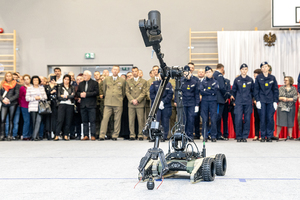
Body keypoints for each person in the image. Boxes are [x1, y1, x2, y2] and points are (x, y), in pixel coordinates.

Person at [254, 62, 279, 142]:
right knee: (262, 118)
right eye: (263, 67)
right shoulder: (258, 78)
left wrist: (275, 101)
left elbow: (275, 90)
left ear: (268, 68)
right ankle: (263, 136)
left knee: (270, 118)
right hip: (262, 100)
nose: (264, 68)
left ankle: (269, 135)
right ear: (261, 69)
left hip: (270, 100)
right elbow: (256, 90)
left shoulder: (272, 78)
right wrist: (257, 100)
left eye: (266, 66)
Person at [99, 66, 126, 141]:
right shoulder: (107, 79)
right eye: (114, 69)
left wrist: (120, 98)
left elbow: (123, 92)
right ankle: (102, 135)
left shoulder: (122, 80)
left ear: (119, 71)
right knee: (105, 119)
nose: (115, 71)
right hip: (108, 102)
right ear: (112, 70)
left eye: (117, 70)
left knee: (117, 120)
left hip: (118, 102)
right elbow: (104, 90)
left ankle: (115, 135)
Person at [231, 64, 254, 142]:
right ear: (240, 70)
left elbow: (253, 91)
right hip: (239, 102)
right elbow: (233, 91)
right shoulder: (237, 80)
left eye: (245, 69)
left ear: (247, 70)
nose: (244, 71)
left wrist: (254, 100)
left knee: (247, 119)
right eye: (243, 69)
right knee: (238, 119)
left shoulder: (250, 80)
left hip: (248, 102)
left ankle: (244, 136)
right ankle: (239, 136)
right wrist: (233, 101)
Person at [175, 66, 200, 139]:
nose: (186, 74)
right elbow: (177, 91)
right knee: (183, 120)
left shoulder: (194, 82)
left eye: (187, 72)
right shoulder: (181, 81)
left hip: (191, 103)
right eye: (185, 72)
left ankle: (190, 135)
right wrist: (176, 101)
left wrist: (197, 105)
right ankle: (183, 135)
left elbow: (196, 94)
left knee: (191, 119)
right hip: (183, 103)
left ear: (190, 72)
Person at [76, 70, 99, 141]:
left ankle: (93, 135)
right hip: (83, 105)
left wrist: (86, 94)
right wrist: (80, 94)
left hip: (91, 105)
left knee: (92, 121)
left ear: (89, 75)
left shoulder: (94, 83)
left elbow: (97, 92)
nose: (84, 76)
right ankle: (86, 135)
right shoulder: (81, 84)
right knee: (84, 121)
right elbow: (77, 92)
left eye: (85, 75)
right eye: (83, 75)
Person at [125, 67, 147, 140]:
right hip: (131, 104)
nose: (134, 72)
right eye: (133, 71)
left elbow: (144, 92)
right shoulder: (128, 81)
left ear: (138, 72)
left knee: (141, 120)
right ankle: (132, 135)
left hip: (139, 104)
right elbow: (127, 92)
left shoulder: (143, 81)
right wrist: (132, 100)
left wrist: (137, 100)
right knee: (131, 120)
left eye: (135, 71)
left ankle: (140, 134)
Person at [150, 75, 173, 142]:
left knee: (165, 121)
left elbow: (170, 94)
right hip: (156, 105)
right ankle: (154, 136)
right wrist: (158, 102)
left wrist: (163, 102)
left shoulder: (168, 84)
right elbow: (152, 94)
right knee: (155, 121)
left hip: (165, 105)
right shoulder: (154, 83)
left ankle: (164, 136)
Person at [199, 66, 219, 142]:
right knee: (205, 119)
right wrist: (209, 91)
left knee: (213, 119)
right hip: (204, 102)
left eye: (209, 72)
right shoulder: (203, 82)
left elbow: (215, 91)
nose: (208, 73)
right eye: (207, 72)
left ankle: (213, 136)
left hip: (213, 101)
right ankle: (205, 135)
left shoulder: (215, 81)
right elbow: (201, 91)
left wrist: (206, 90)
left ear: (212, 72)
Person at [275, 76, 298, 141]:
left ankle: (290, 136)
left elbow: (295, 97)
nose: (285, 81)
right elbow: (277, 97)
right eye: (284, 80)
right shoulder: (281, 88)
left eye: (286, 80)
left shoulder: (293, 89)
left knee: (290, 121)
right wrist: (282, 98)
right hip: (282, 106)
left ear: (290, 81)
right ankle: (277, 135)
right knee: (280, 121)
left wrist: (288, 99)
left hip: (291, 106)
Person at [54, 75, 75, 141]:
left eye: (68, 79)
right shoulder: (60, 87)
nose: (66, 81)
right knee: (60, 120)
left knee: (68, 120)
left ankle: (66, 135)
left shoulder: (72, 87)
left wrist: (65, 96)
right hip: (62, 105)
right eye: (65, 79)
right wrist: (68, 97)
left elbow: (73, 96)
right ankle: (57, 134)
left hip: (70, 105)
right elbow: (59, 97)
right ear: (63, 80)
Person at [26, 76, 47, 141]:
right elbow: (27, 98)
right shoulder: (29, 88)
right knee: (34, 122)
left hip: (40, 107)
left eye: (37, 80)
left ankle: (35, 136)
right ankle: (35, 136)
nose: (35, 82)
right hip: (32, 106)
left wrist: (40, 97)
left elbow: (45, 97)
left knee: (38, 121)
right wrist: (34, 98)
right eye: (34, 80)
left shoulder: (41, 88)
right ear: (32, 81)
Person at [0, 72, 20, 141]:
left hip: (12, 103)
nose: (8, 77)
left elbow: (17, 94)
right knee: (2, 119)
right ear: (5, 77)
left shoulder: (15, 85)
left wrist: (9, 100)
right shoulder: (2, 84)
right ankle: (2, 135)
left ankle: (9, 135)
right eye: (7, 76)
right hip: (4, 104)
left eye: (9, 76)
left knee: (11, 119)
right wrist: (2, 100)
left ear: (12, 77)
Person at [213, 63, 228, 140]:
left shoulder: (213, 74)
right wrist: (226, 96)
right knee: (217, 117)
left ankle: (217, 133)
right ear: (222, 68)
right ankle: (214, 133)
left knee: (216, 117)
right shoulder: (219, 75)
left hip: (215, 99)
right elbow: (222, 87)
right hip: (219, 99)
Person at [44, 74, 58, 140]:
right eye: (51, 78)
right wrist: (50, 92)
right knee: (47, 119)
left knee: (55, 118)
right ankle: (48, 133)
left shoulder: (58, 86)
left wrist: (56, 86)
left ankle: (55, 132)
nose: (52, 79)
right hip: (48, 104)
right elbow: (44, 95)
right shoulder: (45, 86)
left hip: (55, 104)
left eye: (54, 78)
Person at [70, 74, 84, 140]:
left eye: (80, 79)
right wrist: (77, 98)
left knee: (82, 121)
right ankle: (74, 134)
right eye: (77, 79)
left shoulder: (85, 86)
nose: (79, 81)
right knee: (75, 120)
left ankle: (82, 134)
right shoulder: (73, 87)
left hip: (83, 105)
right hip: (75, 105)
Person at [19, 74, 31, 140]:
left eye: (27, 79)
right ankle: (25, 135)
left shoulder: (32, 87)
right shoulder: (22, 88)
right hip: (24, 106)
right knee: (27, 121)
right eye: (25, 79)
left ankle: (30, 134)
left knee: (31, 121)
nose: (26, 80)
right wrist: (21, 104)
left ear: (30, 79)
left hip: (32, 105)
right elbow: (20, 97)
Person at [194, 69, 205, 139]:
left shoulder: (206, 80)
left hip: (204, 102)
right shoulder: (195, 81)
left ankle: (204, 134)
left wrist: (201, 96)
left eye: (202, 72)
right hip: (196, 102)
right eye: (199, 72)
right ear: (197, 73)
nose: (201, 73)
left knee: (204, 118)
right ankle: (197, 133)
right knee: (196, 118)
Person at [252, 69, 262, 141]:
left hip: (263, 103)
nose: (255, 77)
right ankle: (256, 135)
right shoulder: (253, 83)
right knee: (256, 119)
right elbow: (252, 93)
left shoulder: (262, 82)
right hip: (255, 104)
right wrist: (254, 100)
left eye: (256, 76)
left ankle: (262, 134)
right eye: (254, 76)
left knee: (263, 119)